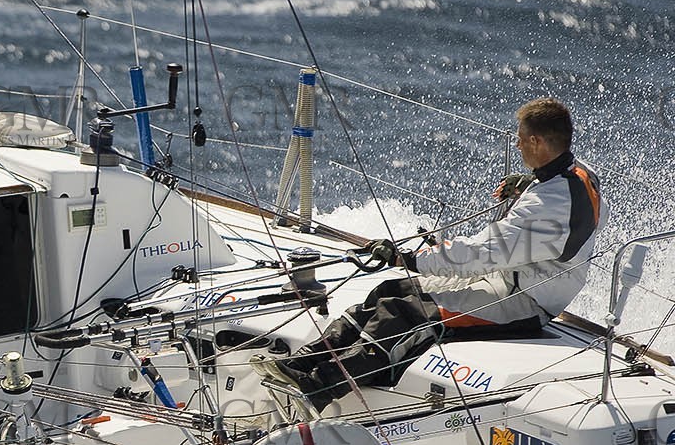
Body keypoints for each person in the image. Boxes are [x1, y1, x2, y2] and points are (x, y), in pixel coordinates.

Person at [255, 97, 603, 415]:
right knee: (389, 291)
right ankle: (302, 363)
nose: (516, 143)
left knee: (404, 313)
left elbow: (481, 254)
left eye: (520, 137)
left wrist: (409, 258)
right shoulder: (576, 173)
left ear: (538, 143)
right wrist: (529, 182)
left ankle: (317, 386)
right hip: (508, 279)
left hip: (524, 301)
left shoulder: (547, 208)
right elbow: (558, 208)